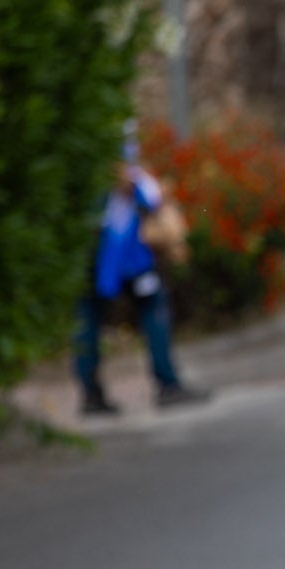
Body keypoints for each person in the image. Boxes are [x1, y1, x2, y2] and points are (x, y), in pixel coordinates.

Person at [74, 136, 208, 415]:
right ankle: (167, 384)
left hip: (90, 251)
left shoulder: (77, 146)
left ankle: (90, 393)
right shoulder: (112, 144)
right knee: (152, 308)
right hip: (123, 254)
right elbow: (133, 187)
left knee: (88, 319)